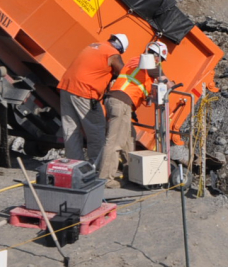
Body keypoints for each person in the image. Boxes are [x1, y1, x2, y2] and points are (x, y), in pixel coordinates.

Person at [100, 41, 168, 186]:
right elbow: (163, 78)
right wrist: (170, 85)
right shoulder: (147, 62)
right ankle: (106, 179)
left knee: (129, 140)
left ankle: (130, 174)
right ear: (156, 56)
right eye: (160, 59)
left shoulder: (137, 62)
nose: (160, 63)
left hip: (122, 104)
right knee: (114, 142)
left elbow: (140, 85)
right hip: (121, 103)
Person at [58, 33, 128, 168]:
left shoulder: (94, 46)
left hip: (66, 89)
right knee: (96, 129)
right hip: (84, 92)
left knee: (71, 129)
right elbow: (122, 72)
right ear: (120, 49)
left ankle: (75, 167)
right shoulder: (112, 53)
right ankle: (95, 166)